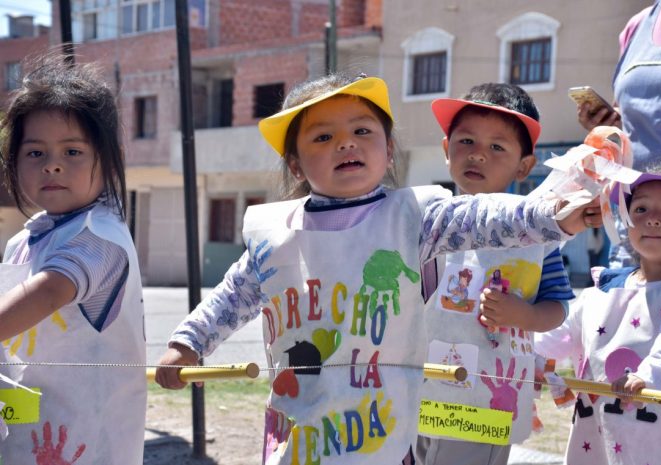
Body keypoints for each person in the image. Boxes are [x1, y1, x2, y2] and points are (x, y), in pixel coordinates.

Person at [154, 74, 598, 465]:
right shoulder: (276, 232)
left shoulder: (416, 217)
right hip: (305, 419)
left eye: (361, 131)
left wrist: (554, 214)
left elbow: (485, 217)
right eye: (322, 137)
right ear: (295, 163)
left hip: (385, 421)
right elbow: (233, 296)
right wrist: (189, 341)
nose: (345, 143)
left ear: (388, 152)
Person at [415, 83, 576, 465]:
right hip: (415, 386)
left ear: (524, 166)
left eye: (497, 147)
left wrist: (525, 316)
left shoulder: (536, 235)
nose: (478, 155)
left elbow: (558, 304)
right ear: (445, 150)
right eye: (466, 141)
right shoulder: (425, 220)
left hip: (486, 396)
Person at [0, 54, 146, 464]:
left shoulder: (100, 238)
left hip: (89, 443)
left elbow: (47, 293)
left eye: (73, 151)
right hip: (29, 432)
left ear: (111, 154)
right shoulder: (24, 241)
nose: (54, 164)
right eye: (35, 154)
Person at [535, 159, 661, 465]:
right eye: (641, 209)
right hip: (595, 429)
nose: (653, 219)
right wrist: (532, 358)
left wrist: (647, 377)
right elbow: (563, 331)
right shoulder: (602, 290)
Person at [576, 0, 661, 267]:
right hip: (637, 223)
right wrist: (608, 124)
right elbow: (635, 117)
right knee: (631, 306)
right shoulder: (638, 26)